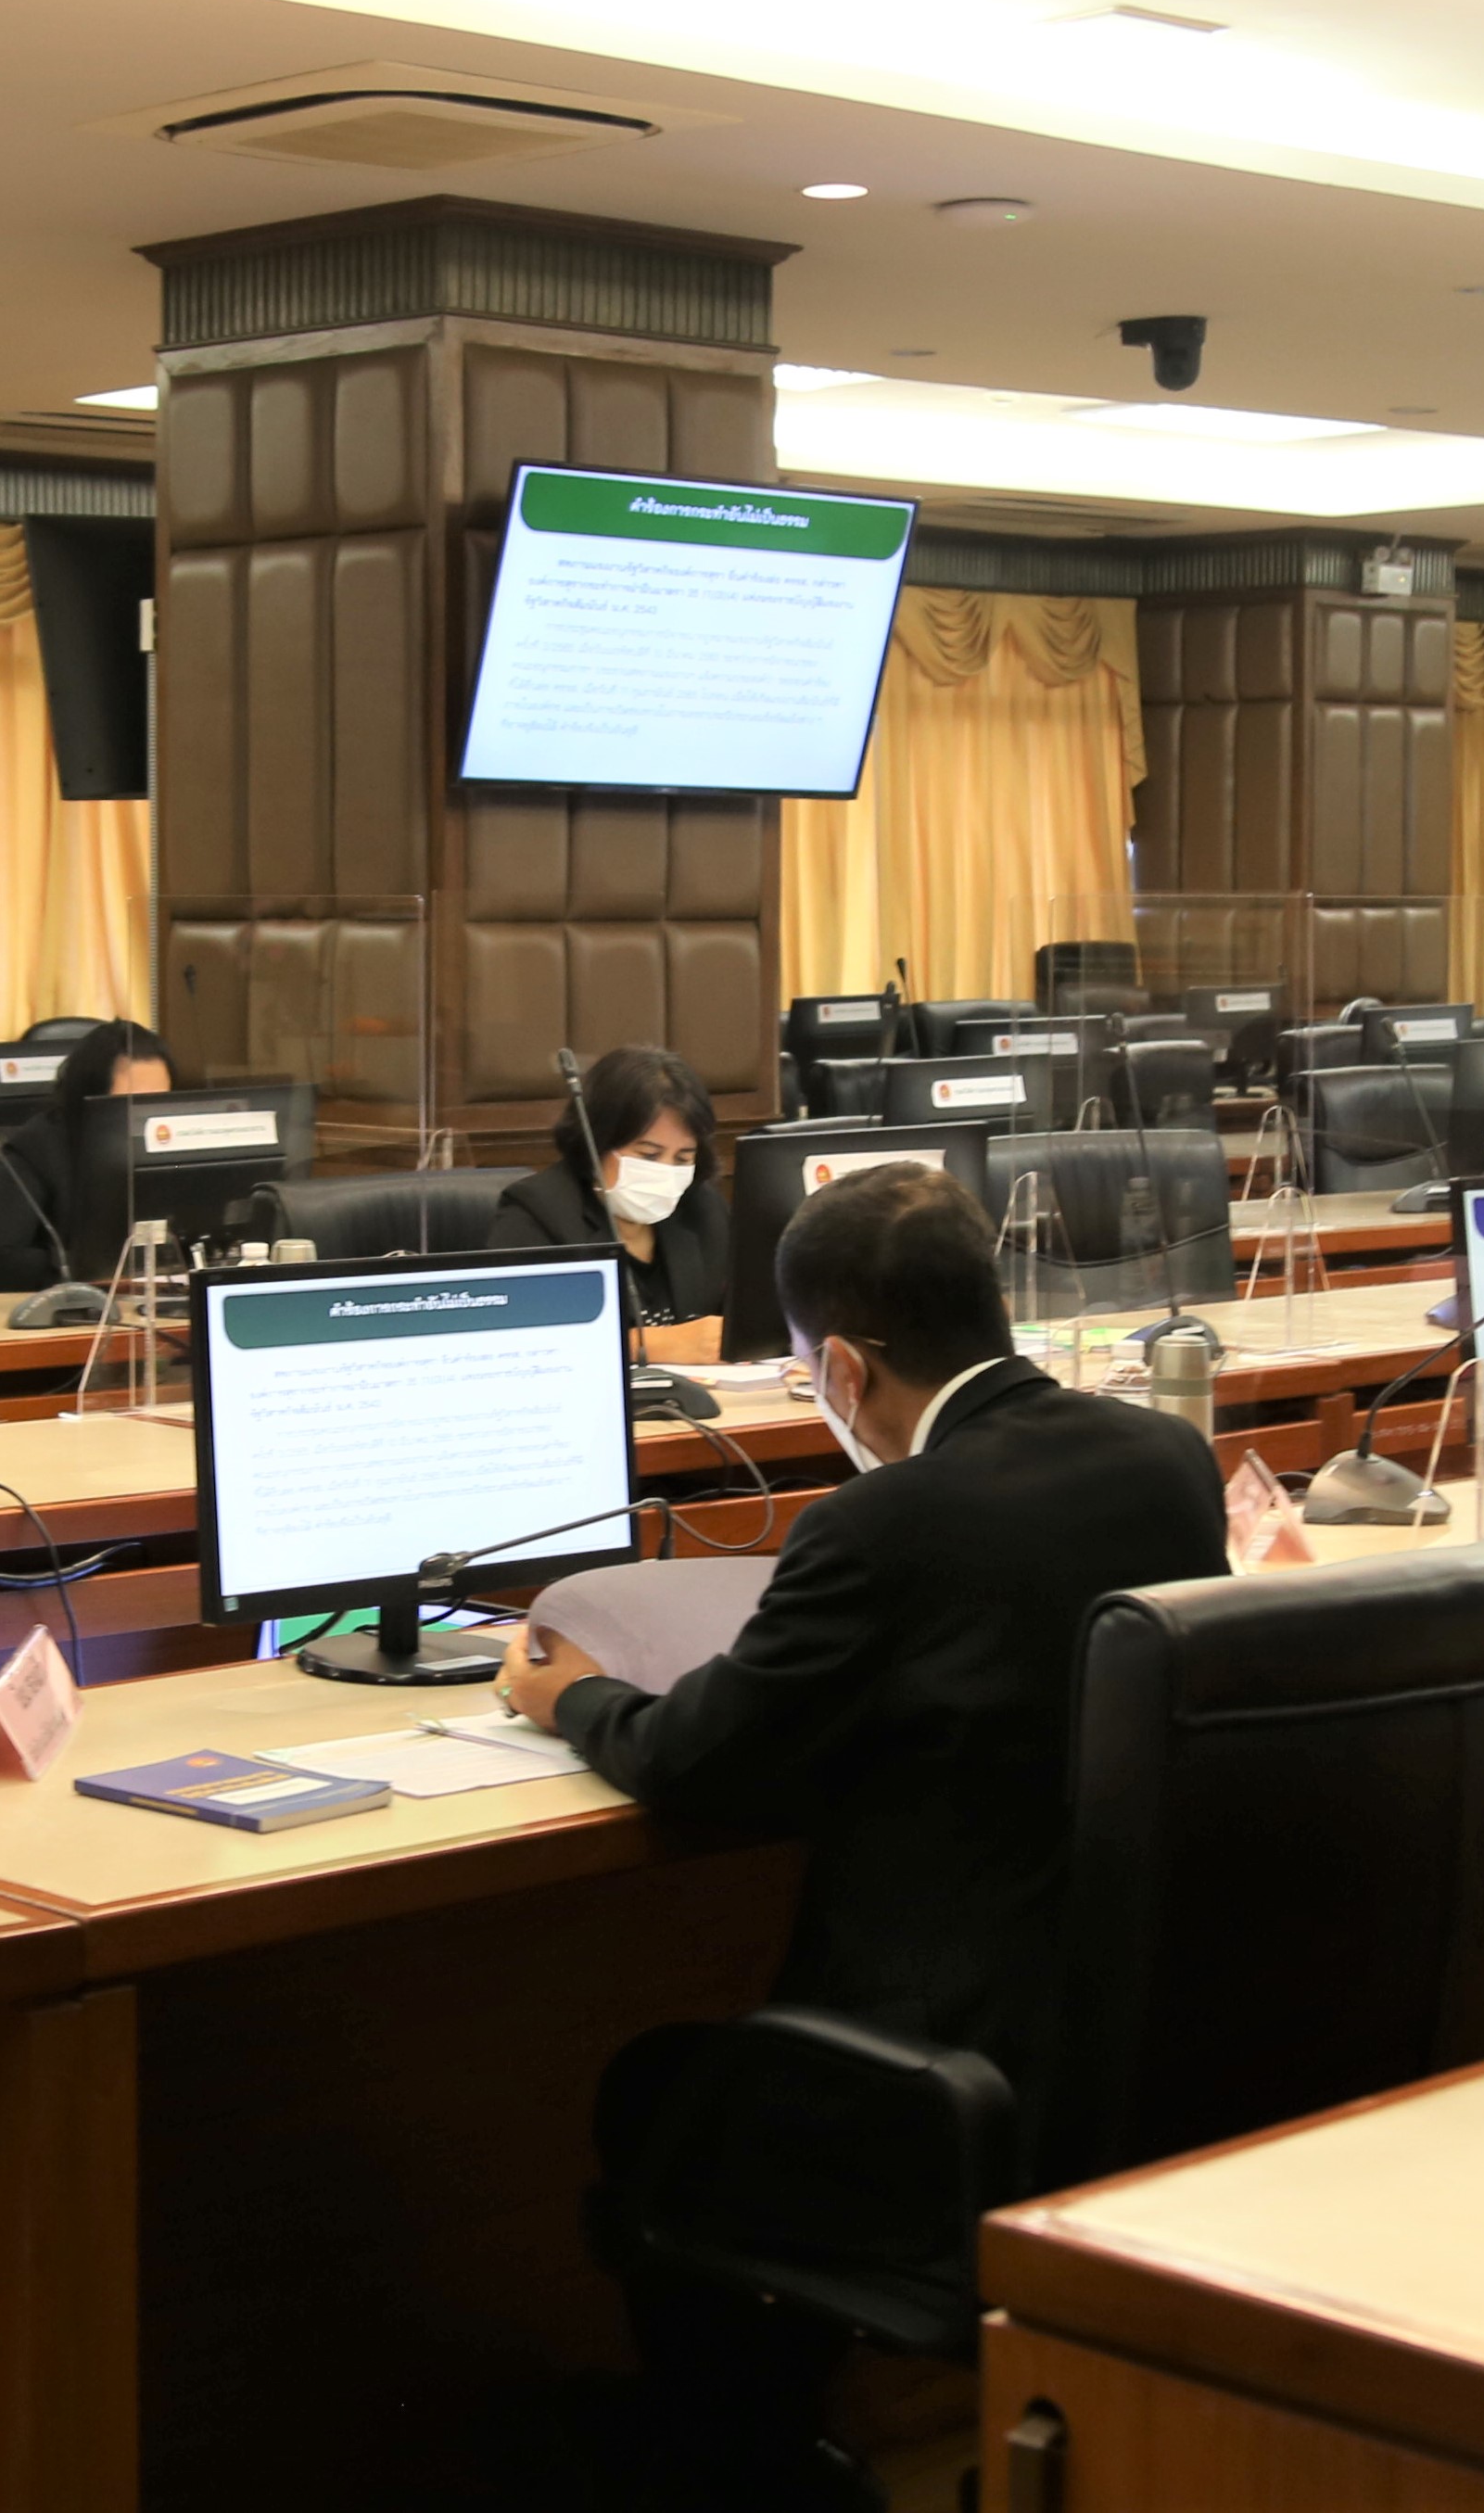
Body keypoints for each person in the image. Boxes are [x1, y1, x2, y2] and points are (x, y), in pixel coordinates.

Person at [496, 1163, 1224, 2507]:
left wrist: (569, 1695)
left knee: (659, 2089)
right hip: (1136, 2050)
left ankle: (739, 2466)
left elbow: (693, 1761)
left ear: (840, 1365)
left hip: (948, 2080)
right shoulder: (1166, 1455)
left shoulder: (880, 1524)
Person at [488, 1044, 732, 1364]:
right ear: (601, 1141)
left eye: (682, 1158)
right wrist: (644, 1346)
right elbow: (515, 1341)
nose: (666, 1172)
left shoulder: (703, 1209)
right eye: (649, 1156)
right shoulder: (537, 1213)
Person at [0, 1019, 171, 1287]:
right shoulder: (41, 1147)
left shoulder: (168, 1146)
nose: (148, 1117)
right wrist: (91, 1268)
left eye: (159, 1101)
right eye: (132, 1104)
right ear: (90, 1099)